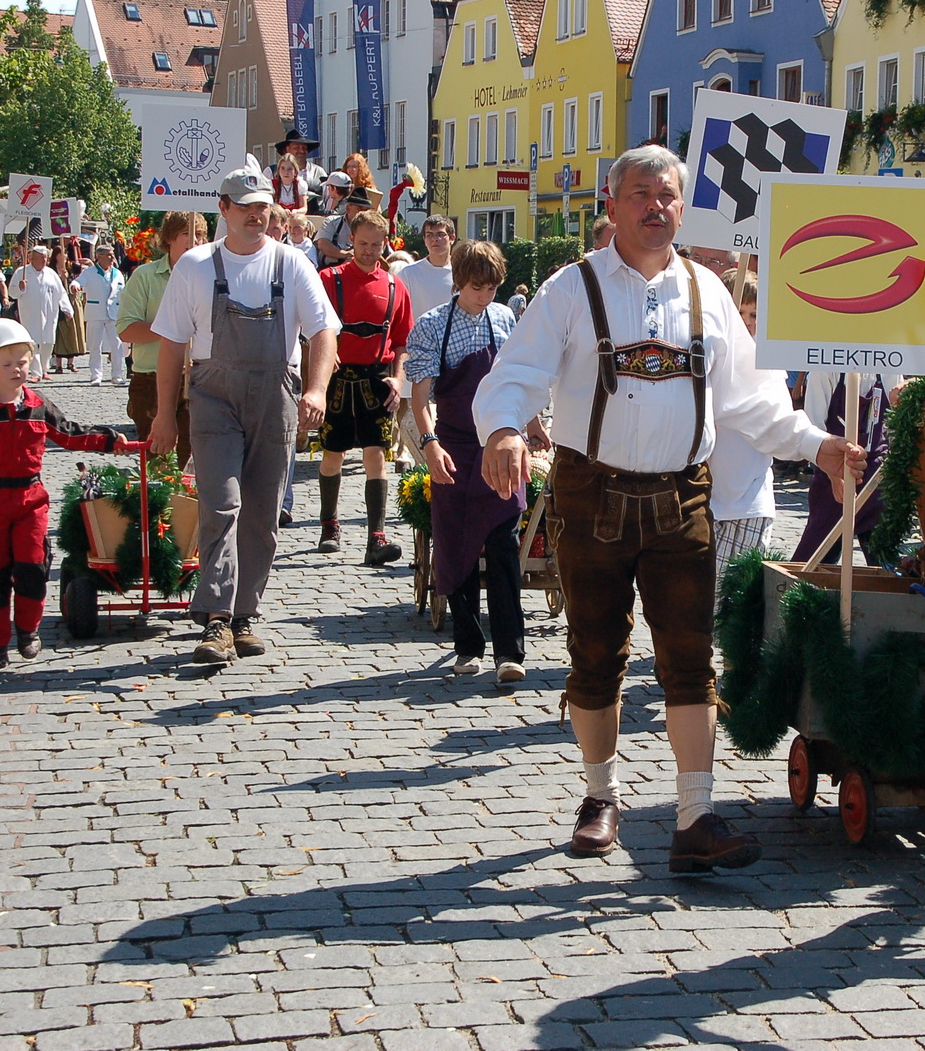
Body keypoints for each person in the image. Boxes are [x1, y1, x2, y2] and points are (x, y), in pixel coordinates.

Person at [474, 144, 865, 873]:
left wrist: (819, 447)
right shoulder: (571, 288)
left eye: (669, 196)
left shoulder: (706, 292)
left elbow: (751, 399)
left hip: (684, 493)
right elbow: (517, 373)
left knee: (689, 656)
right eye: (643, 193)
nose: (658, 206)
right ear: (613, 204)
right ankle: (600, 796)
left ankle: (695, 814)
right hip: (591, 493)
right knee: (596, 653)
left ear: (683, 208)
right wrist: (500, 428)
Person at [148, 166, 341, 666]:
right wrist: (165, 416)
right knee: (221, 503)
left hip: (276, 392)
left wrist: (316, 389)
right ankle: (215, 617)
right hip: (213, 395)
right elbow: (172, 345)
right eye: (246, 206)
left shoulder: (291, 264)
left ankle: (243, 615)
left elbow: (324, 333)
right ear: (224, 209)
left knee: (261, 511)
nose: (256, 214)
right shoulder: (193, 266)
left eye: (262, 206)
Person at [0, 320, 121, 669]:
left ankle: (27, 630)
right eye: (6, 365)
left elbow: (69, 434)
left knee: (33, 568)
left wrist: (108, 440)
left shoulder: (38, 406)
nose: (15, 370)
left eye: (22, 362)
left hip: (30, 498)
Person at [409, 241, 548, 680]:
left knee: (504, 544)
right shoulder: (433, 326)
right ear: (458, 282)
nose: (484, 297)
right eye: (475, 288)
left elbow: (515, 380)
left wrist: (533, 423)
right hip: (453, 446)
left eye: (491, 288)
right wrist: (430, 443)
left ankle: (510, 652)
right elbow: (421, 394)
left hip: (500, 443)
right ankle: (468, 646)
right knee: (456, 548)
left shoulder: (504, 318)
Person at [316, 211, 411, 565]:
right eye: (362, 244)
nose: (369, 251)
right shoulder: (328, 279)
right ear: (350, 242)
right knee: (333, 454)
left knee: (376, 455)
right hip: (338, 379)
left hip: (377, 379)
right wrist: (326, 356)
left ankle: (376, 537)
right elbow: (311, 327)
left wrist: (398, 378)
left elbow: (402, 342)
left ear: (384, 244)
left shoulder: (394, 285)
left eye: (375, 245)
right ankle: (329, 524)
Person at [119, 212, 206, 469]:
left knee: (195, 465)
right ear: (169, 239)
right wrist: (171, 328)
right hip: (151, 381)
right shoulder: (145, 277)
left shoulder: (211, 277)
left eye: (201, 235)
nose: (195, 241)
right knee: (160, 467)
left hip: (199, 380)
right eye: (187, 234)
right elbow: (126, 330)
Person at [710, 275, 780, 581]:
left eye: (753, 315)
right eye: (738, 313)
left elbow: (779, 426)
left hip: (750, 500)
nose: (747, 322)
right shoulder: (704, 362)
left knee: (729, 602)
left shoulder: (770, 365)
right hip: (704, 500)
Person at [791, 369, 895, 563]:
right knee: (817, 555)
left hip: (876, 475)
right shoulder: (824, 371)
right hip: (833, 474)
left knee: (883, 558)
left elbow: (893, 421)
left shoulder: (887, 366)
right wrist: (834, 477)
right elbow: (813, 429)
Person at [9, 246, 70, 383]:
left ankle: (44, 369)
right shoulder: (22, 273)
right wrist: (20, 288)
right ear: (32, 258)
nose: (44, 261)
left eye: (46, 258)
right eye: (41, 258)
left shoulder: (51, 274)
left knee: (48, 341)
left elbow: (61, 292)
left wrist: (67, 308)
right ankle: (36, 372)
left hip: (49, 313)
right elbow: (12, 293)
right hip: (30, 313)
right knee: (32, 342)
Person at [78, 242, 127, 385]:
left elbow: (122, 292)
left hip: (114, 312)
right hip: (96, 312)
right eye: (109, 255)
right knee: (95, 345)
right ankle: (96, 375)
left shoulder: (117, 273)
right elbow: (78, 282)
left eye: (112, 255)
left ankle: (117, 375)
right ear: (99, 257)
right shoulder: (90, 272)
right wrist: (75, 286)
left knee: (117, 345)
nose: (112, 257)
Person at [399, 216, 457, 318]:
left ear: (452, 238)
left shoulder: (463, 273)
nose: (435, 239)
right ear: (424, 240)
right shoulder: (408, 274)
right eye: (429, 235)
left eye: (440, 234)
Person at [51, 244, 86, 374]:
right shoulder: (51, 270)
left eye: (64, 253)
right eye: (60, 254)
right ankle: (58, 363)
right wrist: (60, 278)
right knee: (60, 332)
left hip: (71, 299)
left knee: (73, 330)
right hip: (58, 300)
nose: (63, 256)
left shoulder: (72, 267)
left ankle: (71, 362)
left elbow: (82, 276)